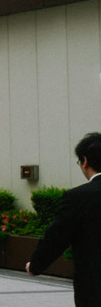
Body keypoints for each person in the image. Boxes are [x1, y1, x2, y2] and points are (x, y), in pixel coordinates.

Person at [27, 131, 101, 306]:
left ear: (85, 161)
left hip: (94, 286)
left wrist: (36, 265)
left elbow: (57, 236)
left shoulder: (78, 197)